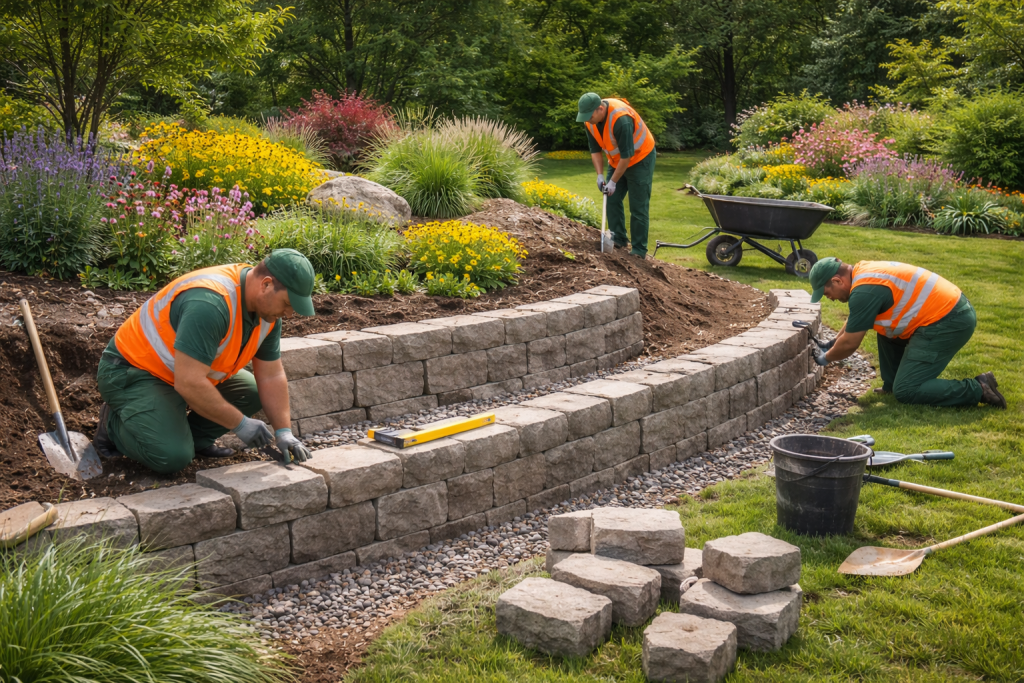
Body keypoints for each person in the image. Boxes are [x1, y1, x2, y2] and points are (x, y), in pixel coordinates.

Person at [93, 249, 316, 474]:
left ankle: (192, 440)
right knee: (172, 457)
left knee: (251, 391)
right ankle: (113, 425)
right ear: (266, 284)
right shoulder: (210, 303)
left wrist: (284, 432)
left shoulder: (267, 313)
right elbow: (189, 383)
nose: (289, 313)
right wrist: (239, 423)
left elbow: (271, 375)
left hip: (183, 372)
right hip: (134, 371)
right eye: (287, 303)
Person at [808, 256, 1006, 408]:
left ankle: (979, 388)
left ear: (837, 281)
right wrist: (833, 342)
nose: (830, 298)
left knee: (908, 391)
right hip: (944, 312)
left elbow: (850, 343)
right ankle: (891, 386)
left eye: (827, 293)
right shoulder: (863, 273)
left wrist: (825, 358)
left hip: (949, 321)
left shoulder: (864, 291)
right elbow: (857, 319)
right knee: (885, 328)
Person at [577, 92, 656, 259]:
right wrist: (600, 175)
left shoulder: (621, 119)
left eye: (590, 116)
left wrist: (613, 181)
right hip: (617, 160)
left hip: (640, 158)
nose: (588, 120)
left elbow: (627, 156)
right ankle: (618, 238)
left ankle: (639, 250)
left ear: (600, 109)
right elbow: (595, 151)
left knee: (638, 205)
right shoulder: (589, 121)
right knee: (611, 198)